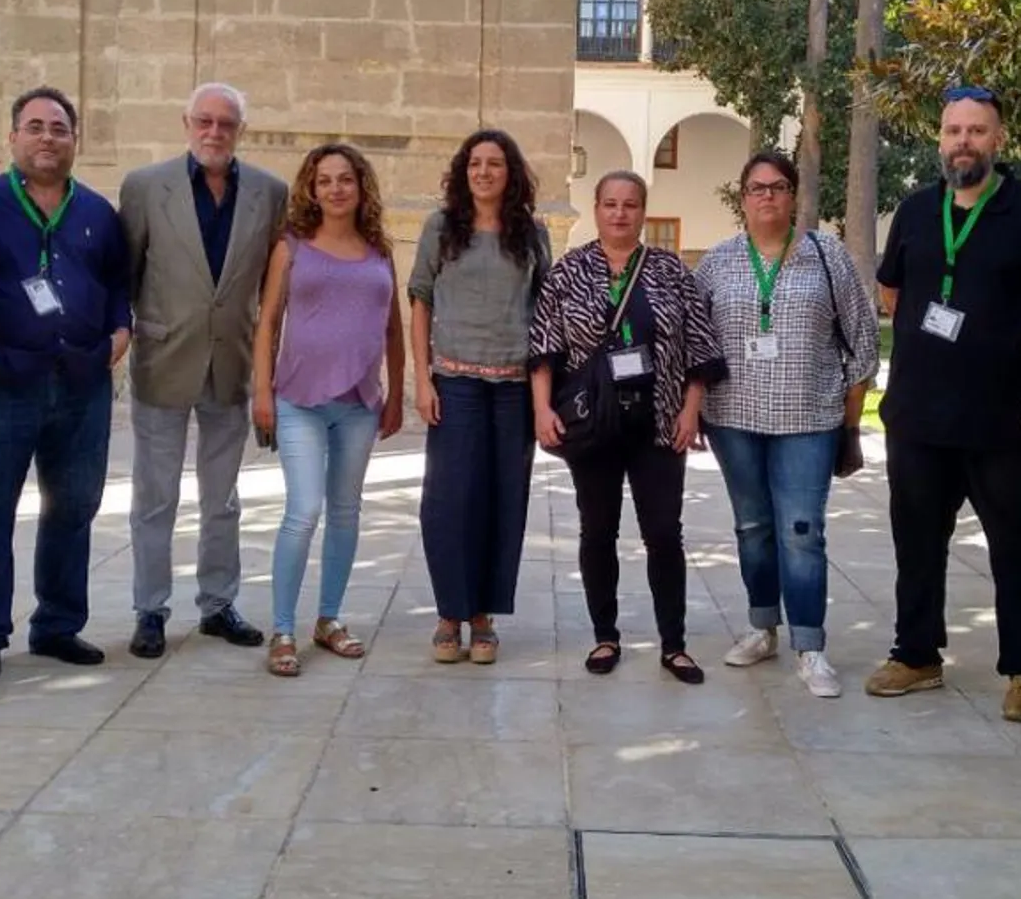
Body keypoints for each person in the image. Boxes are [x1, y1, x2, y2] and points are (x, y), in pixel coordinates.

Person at [868, 85, 1021, 721]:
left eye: (977, 131)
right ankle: (916, 653)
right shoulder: (917, 210)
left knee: (1017, 548)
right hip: (918, 415)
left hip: (1002, 418)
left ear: (999, 139)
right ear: (939, 138)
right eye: (954, 131)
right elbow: (892, 292)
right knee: (917, 542)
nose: (964, 142)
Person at [0, 86, 131, 682]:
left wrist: (120, 335)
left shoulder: (98, 211)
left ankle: (57, 625)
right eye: (36, 127)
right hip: (4, 382)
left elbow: (120, 283)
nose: (48, 137)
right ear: (13, 137)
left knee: (73, 506)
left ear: (76, 140)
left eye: (60, 129)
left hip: (82, 383)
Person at [529, 171, 727, 684]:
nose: (620, 213)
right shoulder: (569, 271)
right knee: (598, 530)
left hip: (660, 423)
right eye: (611, 204)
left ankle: (674, 644)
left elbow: (699, 346)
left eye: (631, 205)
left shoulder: (670, 271)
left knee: (664, 533)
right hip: (592, 424)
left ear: (643, 211)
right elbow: (544, 349)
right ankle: (604, 635)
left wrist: (691, 409)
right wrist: (541, 410)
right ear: (595, 209)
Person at [693, 152, 879, 698]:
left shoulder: (828, 256)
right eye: (756, 188)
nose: (767, 197)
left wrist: (849, 420)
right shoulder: (721, 261)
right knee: (752, 527)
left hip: (809, 418)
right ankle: (760, 626)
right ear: (742, 198)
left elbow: (863, 341)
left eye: (777, 187)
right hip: (734, 419)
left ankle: (810, 645)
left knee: (801, 531)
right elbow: (695, 340)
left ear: (793, 195)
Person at [117, 83, 288, 658]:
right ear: (186, 122)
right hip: (164, 361)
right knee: (155, 496)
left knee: (223, 497)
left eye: (227, 124)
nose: (214, 133)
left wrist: (270, 370)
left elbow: (274, 287)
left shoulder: (269, 192)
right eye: (204, 122)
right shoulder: (145, 187)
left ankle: (218, 603)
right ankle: (150, 610)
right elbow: (129, 273)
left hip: (231, 364)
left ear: (242, 130)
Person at [251, 143, 405, 676]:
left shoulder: (380, 250)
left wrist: (397, 393)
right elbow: (268, 321)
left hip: (360, 403)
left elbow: (393, 328)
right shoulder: (291, 247)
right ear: (311, 190)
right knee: (304, 511)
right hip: (298, 401)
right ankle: (283, 628)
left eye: (345, 179)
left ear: (361, 187)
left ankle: (330, 618)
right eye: (324, 181)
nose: (335, 189)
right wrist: (262, 393)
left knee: (346, 511)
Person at [409, 128, 551, 665]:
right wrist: (422, 380)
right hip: (457, 384)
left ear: (511, 173)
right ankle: (451, 611)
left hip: (513, 388)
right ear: (462, 172)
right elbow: (420, 299)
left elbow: (545, 319)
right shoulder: (441, 228)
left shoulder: (532, 234)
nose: (485, 172)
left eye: (495, 163)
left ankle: (484, 616)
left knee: (503, 498)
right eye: (475, 164)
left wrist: (543, 398)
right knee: (448, 501)